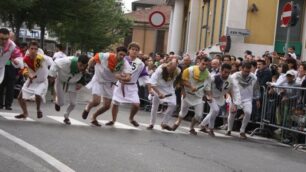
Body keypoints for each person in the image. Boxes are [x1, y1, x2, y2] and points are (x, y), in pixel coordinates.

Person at [82, 46, 132, 126]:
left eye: (124, 55)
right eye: (121, 54)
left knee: (107, 106)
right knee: (96, 102)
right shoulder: (106, 56)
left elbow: (129, 77)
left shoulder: (124, 63)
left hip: (110, 83)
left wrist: (122, 78)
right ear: (116, 53)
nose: (122, 57)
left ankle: (94, 117)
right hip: (99, 80)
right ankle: (87, 108)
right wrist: (88, 67)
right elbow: (93, 59)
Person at [105, 42, 149, 127]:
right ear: (129, 50)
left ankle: (131, 118)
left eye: (136, 50)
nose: (134, 51)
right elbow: (114, 70)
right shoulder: (122, 59)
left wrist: (149, 87)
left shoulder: (140, 63)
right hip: (120, 84)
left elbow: (144, 76)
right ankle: (113, 120)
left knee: (136, 104)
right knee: (115, 102)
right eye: (132, 49)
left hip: (132, 86)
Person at [172, 56, 212, 135]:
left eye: (206, 65)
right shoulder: (189, 70)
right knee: (183, 112)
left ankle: (191, 127)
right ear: (199, 62)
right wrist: (190, 87)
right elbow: (182, 81)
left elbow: (207, 88)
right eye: (203, 64)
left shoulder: (208, 75)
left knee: (199, 115)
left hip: (198, 97)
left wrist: (209, 96)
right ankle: (178, 122)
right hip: (187, 94)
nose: (204, 66)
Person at [15, 41, 54, 119]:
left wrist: (51, 75)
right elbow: (24, 69)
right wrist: (28, 75)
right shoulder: (26, 58)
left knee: (37, 93)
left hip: (42, 81)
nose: (33, 50)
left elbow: (53, 63)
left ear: (37, 50)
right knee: (20, 97)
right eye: (31, 48)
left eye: (35, 49)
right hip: (31, 81)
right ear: (28, 49)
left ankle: (38, 109)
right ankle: (25, 113)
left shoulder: (42, 57)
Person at [199, 64, 241, 136]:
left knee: (212, 112)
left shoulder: (231, 79)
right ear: (221, 71)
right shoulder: (213, 78)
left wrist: (234, 102)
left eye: (228, 72)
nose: (226, 74)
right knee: (216, 110)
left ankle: (202, 125)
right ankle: (211, 129)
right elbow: (205, 86)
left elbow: (232, 90)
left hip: (220, 97)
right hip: (210, 96)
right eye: (225, 72)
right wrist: (206, 96)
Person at [49, 55, 89, 124]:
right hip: (61, 80)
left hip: (72, 83)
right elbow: (55, 63)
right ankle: (57, 101)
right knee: (61, 103)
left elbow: (84, 75)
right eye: (80, 65)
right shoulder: (67, 61)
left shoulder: (85, 67)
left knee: (73, 103)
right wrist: (52, 75)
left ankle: (66, 116)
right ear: (77, 62)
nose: (82, 67)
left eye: (84, 66)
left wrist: (81, 83)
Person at [226, 62, 260, 139]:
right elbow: (229, 87)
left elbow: (256, 89)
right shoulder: (234, 76)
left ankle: (242, 131)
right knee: (232, 114)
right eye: (245, 71)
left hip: (247, 99)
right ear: (241, 68)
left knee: (248, 113)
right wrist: (230, 98)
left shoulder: (253, 77)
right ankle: (229, 129)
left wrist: (257, 99)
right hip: (235, 98)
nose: (247, 73)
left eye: (248, 71)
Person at [147, 58, 181, 130]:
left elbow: (178, 78)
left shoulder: (178, 70)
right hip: (157, 87)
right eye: (171, 69)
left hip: (169, 88)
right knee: (155, 106)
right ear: (168, 66)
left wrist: (177, 84)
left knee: (173, 104)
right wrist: (159, 93)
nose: (172, 71)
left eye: (173, 69)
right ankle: (151, 123)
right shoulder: (160, 70)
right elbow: (152, 83)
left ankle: (164, 123)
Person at [0, 31, 22, 110]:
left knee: (10, 87)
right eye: (2, 39)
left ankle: (8, 104)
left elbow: (18, 57)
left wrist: (16, 61)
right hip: (3, 67)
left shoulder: (13, 46)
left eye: (7, 38)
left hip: (10, 69)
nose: (5, 41)